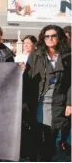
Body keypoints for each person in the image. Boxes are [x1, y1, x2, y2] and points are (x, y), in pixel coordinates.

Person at [23, 25, 71, 161]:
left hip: (58, 102)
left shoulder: (68, 56)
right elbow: (27, 77)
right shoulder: (36, 54)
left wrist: (70, 103)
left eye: (53, 35)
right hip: (37, 102)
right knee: (36, 137)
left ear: (59, 37)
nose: (50, 38)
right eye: (47, 36)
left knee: (50, 137)